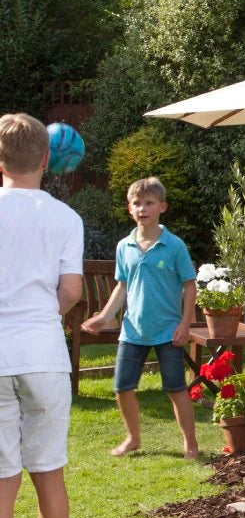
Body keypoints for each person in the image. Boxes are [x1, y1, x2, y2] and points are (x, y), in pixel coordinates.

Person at [0, 113, 85, 518]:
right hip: (44, 355)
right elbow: (72, 292)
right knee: (48, 472)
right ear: (47, 158)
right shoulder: (65, 217)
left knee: (1, 483)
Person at [82, 177, 199, 459]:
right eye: (137, 203)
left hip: (168, 331)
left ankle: (191, 444)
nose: (142, 208)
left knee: (175, 388)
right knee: (122, 387)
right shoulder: (125, 246)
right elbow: (122, 286)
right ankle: (133, 438)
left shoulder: (174, 245)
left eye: (149, 203)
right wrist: (104, 316)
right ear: (129, 209)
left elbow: (189, 285)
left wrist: (185, 324)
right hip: (132, 331)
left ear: (162, 207)